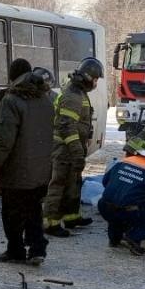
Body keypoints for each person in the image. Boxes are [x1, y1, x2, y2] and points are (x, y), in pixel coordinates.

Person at [0, 68, 55, 265]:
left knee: (12, 214)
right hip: (42, 170)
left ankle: (15, 250)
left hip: (17, 171)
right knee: (34, 210)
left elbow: (3, 142)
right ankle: (37, 249)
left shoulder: (11, 101)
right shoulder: (46, 101)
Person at [42, 57, 104, 237]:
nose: (95, 82)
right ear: (87, 76)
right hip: (65, 148)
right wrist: (77, 150)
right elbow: (67, 125)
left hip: (72, 146)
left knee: (73, 183)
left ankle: (71, 216)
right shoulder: (73, 95)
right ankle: (51, 223)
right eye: (95, 79)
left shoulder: (79, 91)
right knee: (58, 185)